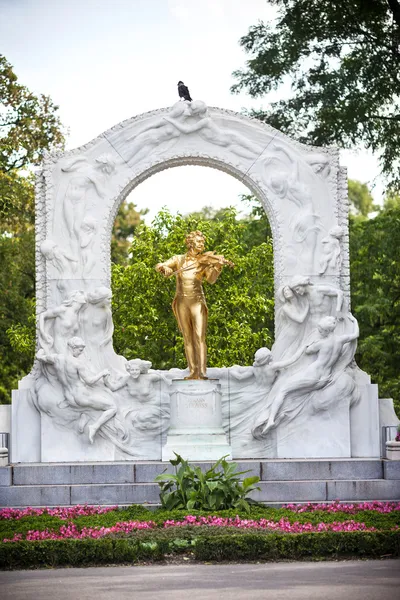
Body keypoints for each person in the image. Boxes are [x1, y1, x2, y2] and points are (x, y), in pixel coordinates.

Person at [252, 315, 359, 437]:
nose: (319, 332)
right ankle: (281, 417)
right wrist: (354, 320)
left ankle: (271, 419)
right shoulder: (341, 340)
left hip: (312, 374)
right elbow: (355, 334)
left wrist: (308, 344)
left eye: (320, 330)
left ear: (326, 331)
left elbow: (308, 351)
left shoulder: (321, 343)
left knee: (283, 390)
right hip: (324, 379)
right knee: (296, 395)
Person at [156, 230, 229, 380]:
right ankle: (192, 371)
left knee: (199, 336)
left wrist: (218, 267)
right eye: (199, 241)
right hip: (182, 302)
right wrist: (165, 267)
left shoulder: (204, 261)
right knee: (187, 337)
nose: (202, 244)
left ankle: (202, 371)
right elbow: (159, 265)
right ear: (190, 243)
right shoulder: (178, 259)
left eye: (203, 242)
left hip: (197, 302)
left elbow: (211, 279)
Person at [37, 337, 115, 444]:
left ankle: (84, 416)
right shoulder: (77, 363)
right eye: (80, 350)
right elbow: (89, 381)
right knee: (112, 407)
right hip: (81, 396)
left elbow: (41, 358)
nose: (81, 353)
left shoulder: (56, 358)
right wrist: (102, 373)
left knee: (89, 406)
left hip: (69, 398)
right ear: (73, 348)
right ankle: (94, 427)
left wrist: (40, 352)